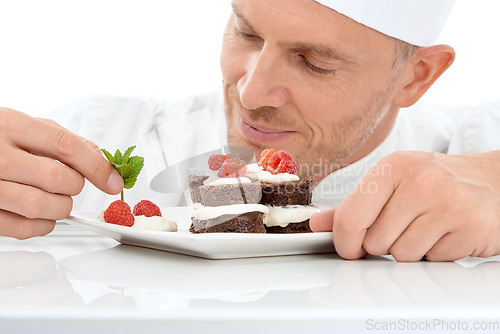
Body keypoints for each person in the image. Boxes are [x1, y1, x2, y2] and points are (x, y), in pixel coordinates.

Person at [1, 0, 499, 262]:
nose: (253, 90)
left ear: (416, 76)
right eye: (247, 33)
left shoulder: (477, 155)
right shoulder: (102, 132)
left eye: (314, 62)